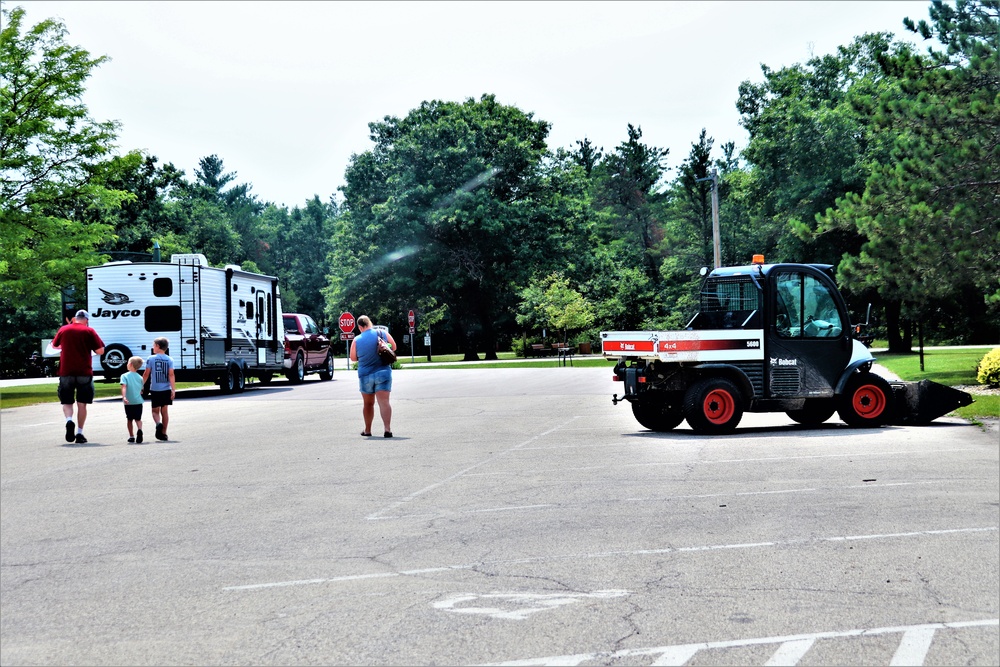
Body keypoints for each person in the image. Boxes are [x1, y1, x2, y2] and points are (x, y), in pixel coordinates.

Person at [50, 309, 105, 444]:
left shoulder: (64, 329)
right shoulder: (89, 331)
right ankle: (80, 433)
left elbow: (54, 345)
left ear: (75, 319)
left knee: (67, 401)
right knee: (82, 403)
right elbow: (100, 350)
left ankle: (69, 421)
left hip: (66, 371)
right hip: (84, 371)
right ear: (86, 320)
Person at [349, 315, 396, 438]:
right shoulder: (382, 333)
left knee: (368, 404)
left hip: (365, 375)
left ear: (360, 327)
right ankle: (387, 429)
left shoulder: (357, 339)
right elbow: (394, 347)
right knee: (384, 402)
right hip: (383, 372)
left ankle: (368, 430)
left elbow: (353, 358)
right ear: (370, 323)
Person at [141, 337, 175, 441]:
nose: (152, 347)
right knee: (164, 411)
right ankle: (164, 433)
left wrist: (141, 385)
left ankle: (158, 423)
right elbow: (171, 374)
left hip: (155, 389)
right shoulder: (170, 359)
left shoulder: (151, 358)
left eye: (153, 345)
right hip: (166, 389)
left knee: (155, 410)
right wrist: (173, 389)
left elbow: (146, 373)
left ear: (158, 346)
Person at [120, 356, 145, 443]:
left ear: (130, 364)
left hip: (129, 402)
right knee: (138, 419)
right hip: (138, 401)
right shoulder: (140, 377)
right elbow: (142, 390)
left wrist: (124, 397)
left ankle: (131, 436)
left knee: (129, 419)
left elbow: (124, 387)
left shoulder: (124, 376)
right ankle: (140, 429)